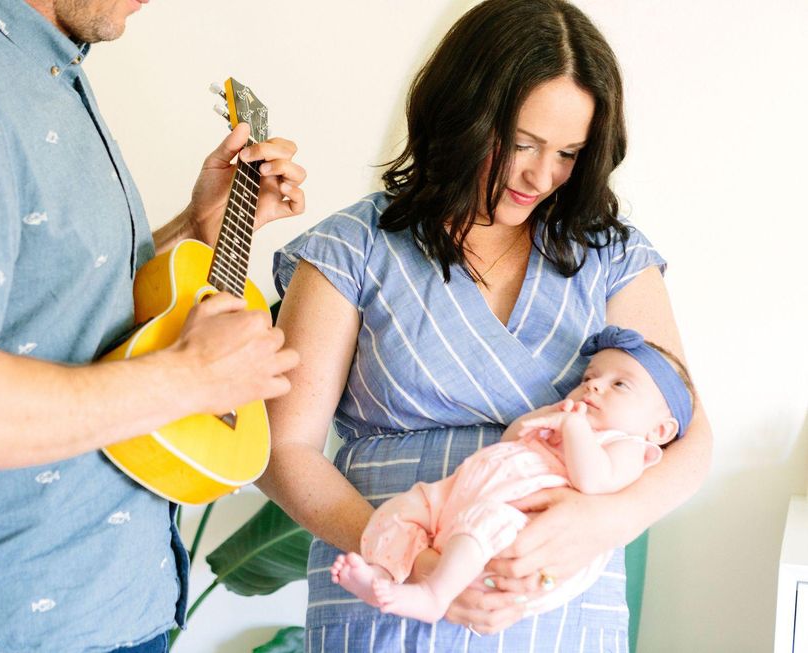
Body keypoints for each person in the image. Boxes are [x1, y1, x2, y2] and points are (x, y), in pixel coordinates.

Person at [0, 1, 305, 651]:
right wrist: (190, 376)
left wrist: (194, 227)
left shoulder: (32, 64)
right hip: (10, 630)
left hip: (101, 609)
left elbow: (58, 303)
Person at [255, 0, 711, 650]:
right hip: (391, 600)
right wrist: (408, 552)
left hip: (556, 609)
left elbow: (690, 436)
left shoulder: (612, 256)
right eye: (521, 143)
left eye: (567, 153)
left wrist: (604, 520)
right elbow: (283, 449)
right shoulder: (353, 246)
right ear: (459, 115)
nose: (540, 175)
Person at [330, 326, 694, 625]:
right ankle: (384, 572)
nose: (593, 386)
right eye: (589, 378)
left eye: (620, 385)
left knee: (487, 520)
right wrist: (549, 415)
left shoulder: (628, 446)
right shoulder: (566, 419)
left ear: (660, 430)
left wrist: (573, 428)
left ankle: (434, 594)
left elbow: (594, 481)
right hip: (461, 495)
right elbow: (512, 437)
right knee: (402, 508)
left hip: (517, 524)